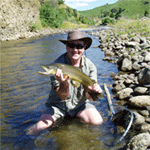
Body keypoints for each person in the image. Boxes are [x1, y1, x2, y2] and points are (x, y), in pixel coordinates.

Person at [27, 30, 103, 135]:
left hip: (80, 106)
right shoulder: (57, 66)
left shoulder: (90, 67)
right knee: (39, 127)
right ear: (66, 46)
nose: (75, 50)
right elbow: (62, 97)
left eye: (79, 46)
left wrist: (94, 91)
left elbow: (89, 98)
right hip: (58, 106)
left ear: (84, 47)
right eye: (71, 45)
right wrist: (63, 83)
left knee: (97, 121)